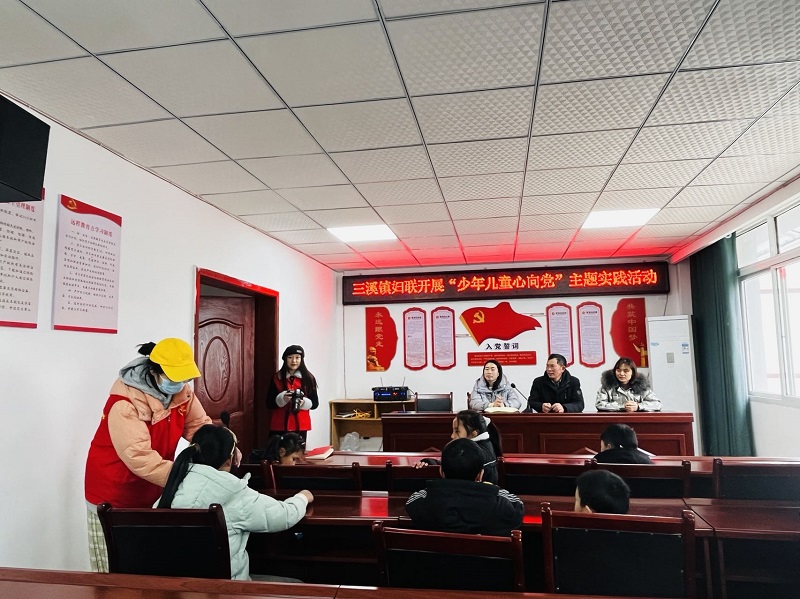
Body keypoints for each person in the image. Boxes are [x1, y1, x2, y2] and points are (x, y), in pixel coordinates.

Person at [84, 338, 213, 572]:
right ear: (155, 371)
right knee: (113, 570)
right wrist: (186, 476)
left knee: (145, 564)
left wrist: (222, 445)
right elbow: (138, 456)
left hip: (152, 487)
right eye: (175, 378)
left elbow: (199, 426)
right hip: (114, 491)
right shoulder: (125, 402)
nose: (181, 384)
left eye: (185, 378)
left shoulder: (182, 393)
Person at [158, 424, 313, 580]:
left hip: (179, 586)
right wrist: (302, 498)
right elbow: (283, 516)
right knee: (298, 583)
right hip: (228, 587)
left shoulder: (174, 484)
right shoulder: (232, 490)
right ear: (228, 461)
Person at [406, 438, 524, 536]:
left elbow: (412, 500)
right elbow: (517, 504)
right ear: (480, 475)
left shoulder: (425, 501)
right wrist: (491, 489)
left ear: (441, 472)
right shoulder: (500, 505)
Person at [414, 409, 502, 484]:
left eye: (457, 431)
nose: (452, 436)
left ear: (474, 433)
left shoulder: (476, 454)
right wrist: (429, 462)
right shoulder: (482, 446)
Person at [266, 345, 319, 442]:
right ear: (285, 359)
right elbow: (269, 403)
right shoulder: (277, 378)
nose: (294, 361)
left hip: (301, 425)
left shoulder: (309, 378)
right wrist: (282, 399)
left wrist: (303, 403)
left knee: (298, 451)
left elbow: (315, 403)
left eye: (297, 357)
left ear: (302, 359)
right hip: (279, 425)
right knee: (276, 450)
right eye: (290, 357)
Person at [596, 357, 662, 412]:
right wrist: (622, 406)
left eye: (626, 371)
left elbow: (657, 404)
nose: (621, 374)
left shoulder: (642, 387)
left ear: (632, 373)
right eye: (618, 370)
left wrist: (638, 406)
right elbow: (600, 404)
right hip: (614, 421)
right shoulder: (607, 386)